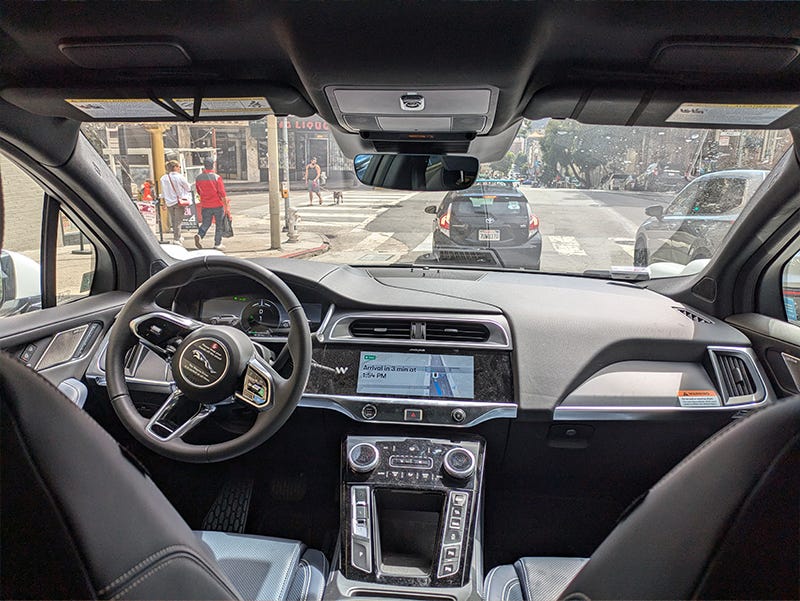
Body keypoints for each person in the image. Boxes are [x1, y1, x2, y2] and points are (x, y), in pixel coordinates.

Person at [193, 157, 229, 250]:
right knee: (219, 225)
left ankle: (200, 235)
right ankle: (217, 243)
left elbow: (198, 191)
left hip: (205, 205)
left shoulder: (198, 178)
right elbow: (222, 193)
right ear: (213, 165)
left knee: (206, 223)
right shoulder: (217, 177)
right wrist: (226, 207)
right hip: (217, 205)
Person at [159, 160, 191, 244]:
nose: (180, 168)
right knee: (178, 220)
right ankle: (176, 239)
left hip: (169, 202)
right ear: (175, 167)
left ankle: (178, 236)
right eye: (179, 167)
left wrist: (164, 202)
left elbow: (163, 191)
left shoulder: (163, 178)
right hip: (179, 201)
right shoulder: (179, 177)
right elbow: (188, 187)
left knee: (173, 220)